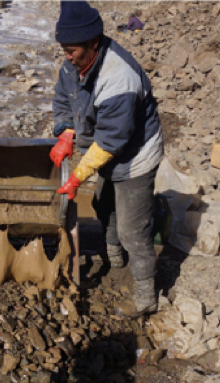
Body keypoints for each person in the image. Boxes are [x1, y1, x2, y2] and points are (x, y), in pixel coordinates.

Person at [49, 0, 163, 317]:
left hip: (134, 157)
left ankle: (145, 297)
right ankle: (115, 261)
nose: (66, 57)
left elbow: (111, 141)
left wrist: (76, 176)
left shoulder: (119, 78)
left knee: (133, 231)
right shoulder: (74, 63)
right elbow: (63, 98)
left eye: (71, 51)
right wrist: (66, 131)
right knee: (102, 205)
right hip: (108, 152)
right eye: (64, 50)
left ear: (93, 43)